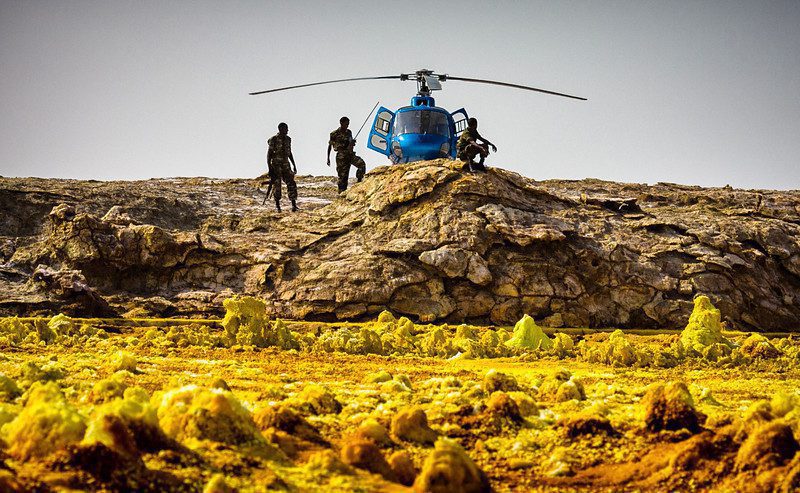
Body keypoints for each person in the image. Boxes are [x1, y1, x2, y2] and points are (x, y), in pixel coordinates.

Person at [327, 116, 366, 192]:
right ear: (341, 123)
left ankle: (359, 182)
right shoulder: (334, 134)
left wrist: (352, 143)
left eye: (348, 124)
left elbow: (350, 143)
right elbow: (330, 146)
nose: (347, 126)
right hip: (341, 157)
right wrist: (328, 158)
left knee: (361, 164)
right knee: (343, 178)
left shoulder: (349, 132)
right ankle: (341, 194)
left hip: (350, 155)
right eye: (346, 124)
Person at [267, 122, 298, 212]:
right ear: (280, 129)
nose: (287, 130)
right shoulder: (274, 139)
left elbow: (290, 153)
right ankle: (277, 206)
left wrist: (294, 165)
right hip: (276, 165)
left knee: (291, 183)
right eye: (286, 129)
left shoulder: (288, 139)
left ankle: (294, 205)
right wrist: (270, 168)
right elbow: (269, 155)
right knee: (277, 185)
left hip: (286, 164)